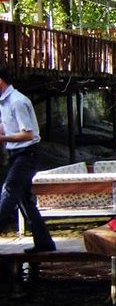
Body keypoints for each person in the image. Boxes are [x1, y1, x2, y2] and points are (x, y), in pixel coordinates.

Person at [0, 66, 56, 253]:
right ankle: (44, 243)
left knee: (8, 192)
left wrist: (3, 138)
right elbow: (8, 127)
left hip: (27, 153)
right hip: (17, 154)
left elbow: (27, 134)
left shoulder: (17, 101)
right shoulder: (5, 103)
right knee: (24, 199)